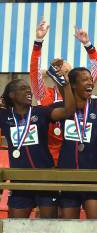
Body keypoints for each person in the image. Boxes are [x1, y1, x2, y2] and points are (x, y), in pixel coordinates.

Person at [0, 71, 75, 219]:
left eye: (29, 88)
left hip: (45, 178)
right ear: (12, 95)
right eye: (22, 88)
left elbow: (68, 111)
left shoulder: (41, 112)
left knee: (48, 228)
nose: (28, 90)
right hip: (19, 180)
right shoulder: (4, 116)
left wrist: (65, 84)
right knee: (16, 230)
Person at [29, 21, 97, 167]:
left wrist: (88, 44)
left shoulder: (79, 92)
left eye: (67, 72)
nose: (63, 73)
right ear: (52, 73)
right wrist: (38, 42)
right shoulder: (44, 95)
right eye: (58, 70)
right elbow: (34, 72)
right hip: (48, 157)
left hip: (75, 155)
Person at [57, 67, 97, 220]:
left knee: (96, 228)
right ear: (73, 84)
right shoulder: (63, 110)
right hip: (68, 177)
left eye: (91, 80)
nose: (90, 83)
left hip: (95, 179)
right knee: (68, 229)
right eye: (85, 80)